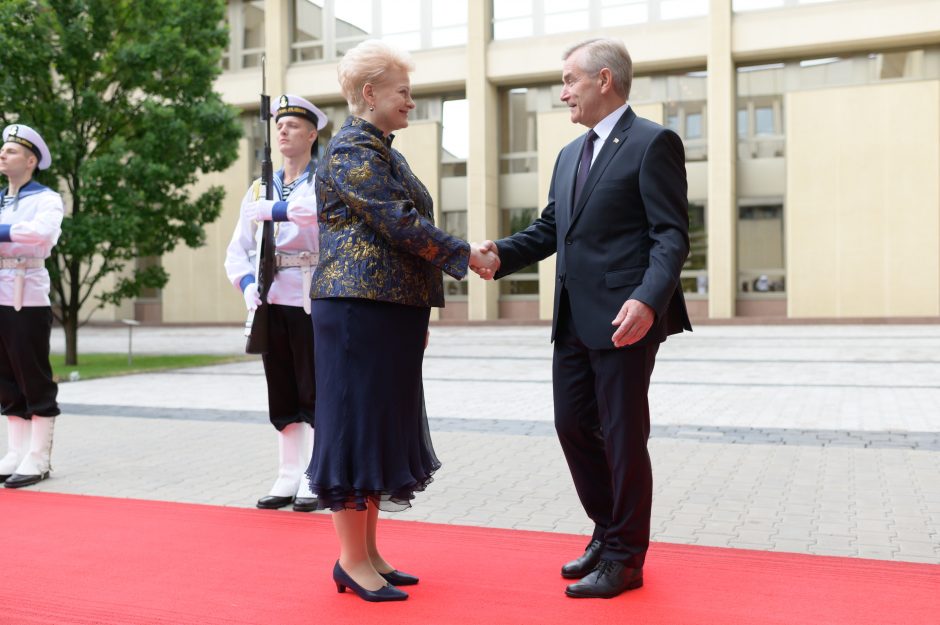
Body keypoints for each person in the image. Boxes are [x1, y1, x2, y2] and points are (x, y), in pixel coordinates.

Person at [481, 38, 692, 599]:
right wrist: (500, 253)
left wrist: (648, 299)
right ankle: (607, 531)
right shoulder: (569, 155)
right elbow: (552, 230)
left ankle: (626, 556)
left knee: (624, 438)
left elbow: (670, 235)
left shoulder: (653, 143)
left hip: (627, 319)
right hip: (573, 318)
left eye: (570, 80)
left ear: (604, 79)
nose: (563, 91)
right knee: (572, 426)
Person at [307, 39, 497, 602]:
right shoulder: (351, 152)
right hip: (357, 312)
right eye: (403, 92)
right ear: (370, 93)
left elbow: (405, 227)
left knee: (379, 426)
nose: (411, 102)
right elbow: (399, 222)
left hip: (388, 310)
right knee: (354, 427)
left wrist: (423, 298)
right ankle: (350, 559)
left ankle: (368, 553)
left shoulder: (383, 149)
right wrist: (468, 255)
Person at [224, 95, 327, 512]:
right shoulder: (258, 186)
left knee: (314, 388)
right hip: (271, 297)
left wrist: (276, 209)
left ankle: (315, 473)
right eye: (279, 125)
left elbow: (316, 213)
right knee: (281, 386)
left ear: (313, 134)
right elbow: (239, 247)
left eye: (293, 125)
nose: (283, 131)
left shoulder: (323, 179)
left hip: (312, 295)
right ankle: (287, 472)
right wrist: (248, 283)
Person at [0, 123, 64, 489]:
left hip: (28, 293)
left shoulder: (46, 199)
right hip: (0, 291)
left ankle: (38, 455)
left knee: (31, 371)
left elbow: (40, 235)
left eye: (10, 151)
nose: (2, 154)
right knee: (5, 375)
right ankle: (16, 451)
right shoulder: (1, 199)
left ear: (30, 160)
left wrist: (5, 234)